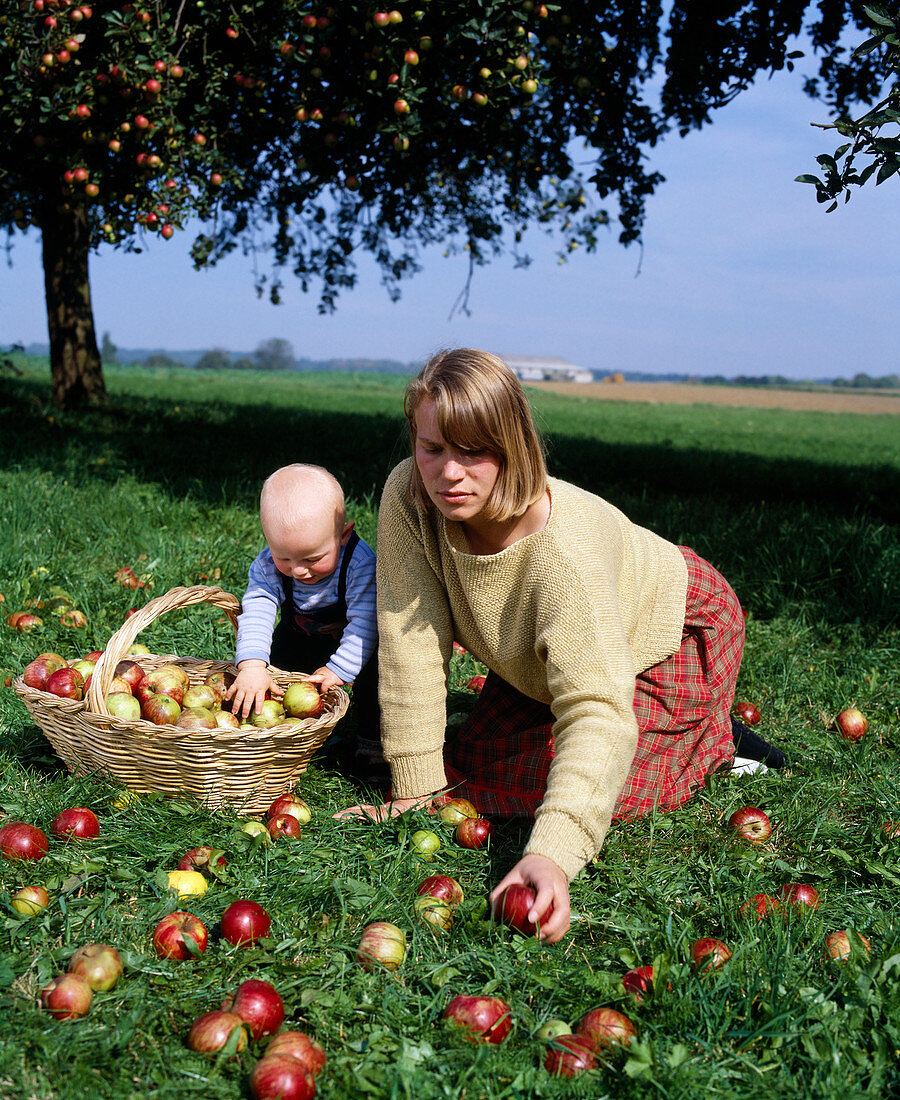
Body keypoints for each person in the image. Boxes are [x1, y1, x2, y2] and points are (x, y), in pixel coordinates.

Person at [338, 349, 785, 942]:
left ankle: (710, 733)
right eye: (433, 447)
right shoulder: (408, 496)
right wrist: (416, 789)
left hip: (666, 633)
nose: (449, 472)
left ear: (513, 445)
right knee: (465, 763)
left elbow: (595, 710)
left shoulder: (563, 555)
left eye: (474, 451)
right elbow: (410, 640)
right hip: (541, 656)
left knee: (558, 784)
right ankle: (691, 726)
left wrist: (551, 854)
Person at [227, 464, 385, 783]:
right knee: (276, 670)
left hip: (355, 640)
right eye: (284, 557)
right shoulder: (267, 567)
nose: (298, 570)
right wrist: (253, 665)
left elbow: (365, 621)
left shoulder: (359, 563)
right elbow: (256, 609)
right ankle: (282, 732)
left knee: (377, 679)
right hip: (299, 635)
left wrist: (340, 669)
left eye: (312, 559)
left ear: (343, 535)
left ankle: (372, 745)